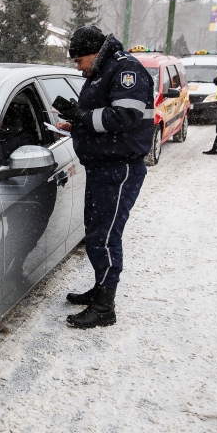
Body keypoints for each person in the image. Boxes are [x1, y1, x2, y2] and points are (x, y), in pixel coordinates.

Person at [52, 26, 154, 329]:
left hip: (119, 169)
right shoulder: (104, 70)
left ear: (93, 53)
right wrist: (78, 125)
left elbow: (125, 116)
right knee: (96, 233)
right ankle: (100, 290)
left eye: (79, 60)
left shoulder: (126, 70)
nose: (78, 67)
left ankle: (105, 308)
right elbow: (104, 116)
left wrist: (81, 116)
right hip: (103, 167)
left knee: (105, 237)